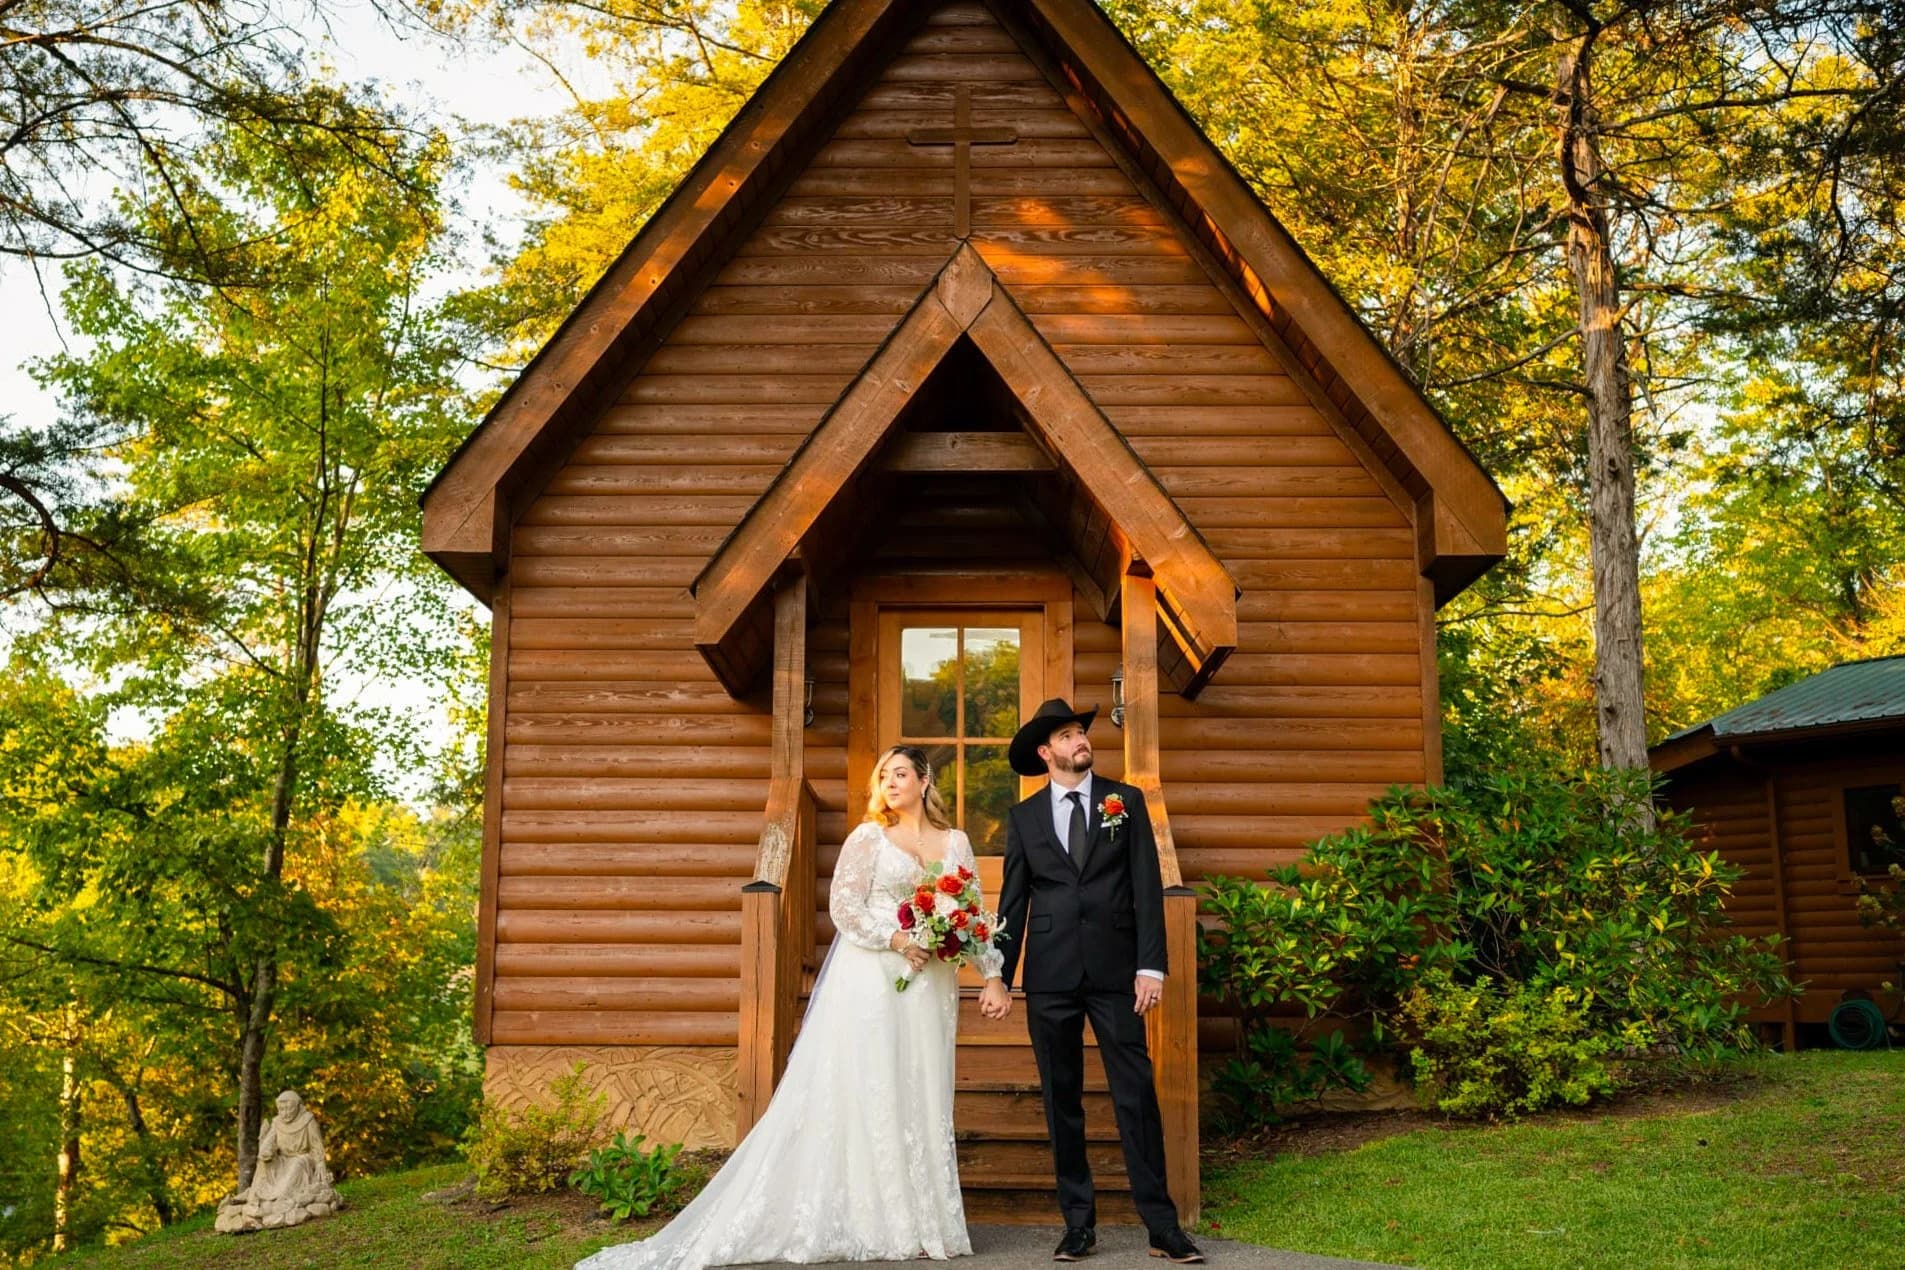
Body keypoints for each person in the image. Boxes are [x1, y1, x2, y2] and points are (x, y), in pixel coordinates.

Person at [578, 745, 1007, 1269]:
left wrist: (992, 976)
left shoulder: (956, 842)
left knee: (922, 1089)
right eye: (883, 775)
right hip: (874, 976)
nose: (890, 783)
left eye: (900, 774)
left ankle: (926, 1222)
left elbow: (972, 912)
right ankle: (884, 1219)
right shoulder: (868, 837)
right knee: (874, 1087)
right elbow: (845, 908)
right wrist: (897, 940)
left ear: (924, 781)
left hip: (930, 986)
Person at [993, 699, 1205, 1264]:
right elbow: (1013, 903)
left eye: (1081, 733)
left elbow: (1146, 885)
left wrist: (1150, 965)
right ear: (1046, 753)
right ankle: (1078, 1225)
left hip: (1117, 973)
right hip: (1051, 975)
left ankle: (1162, 1226)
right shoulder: (1025, 820)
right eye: (1067, 736)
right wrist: (997, 975)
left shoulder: (1126, 802)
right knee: (1062, 1099)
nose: (1080, 741)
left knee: (1135, 1095)